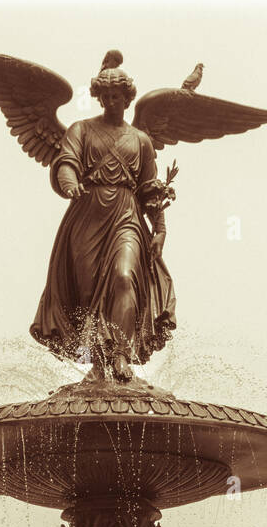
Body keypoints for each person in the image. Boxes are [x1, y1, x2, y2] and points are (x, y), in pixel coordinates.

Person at [30, 53, 176, 381]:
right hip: (87, 216)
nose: (111, 101)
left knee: (125, 277)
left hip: (127, 215)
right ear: (98, 97)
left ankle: (121, 353)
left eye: (117, 96)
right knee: (87, 293)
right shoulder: (82, 130)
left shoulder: (141, 141)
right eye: (105, 96)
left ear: (127, 98)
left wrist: (160, 228)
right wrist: (68, 180)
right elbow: (66, 159)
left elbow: (150, 189)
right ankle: (98, 363)